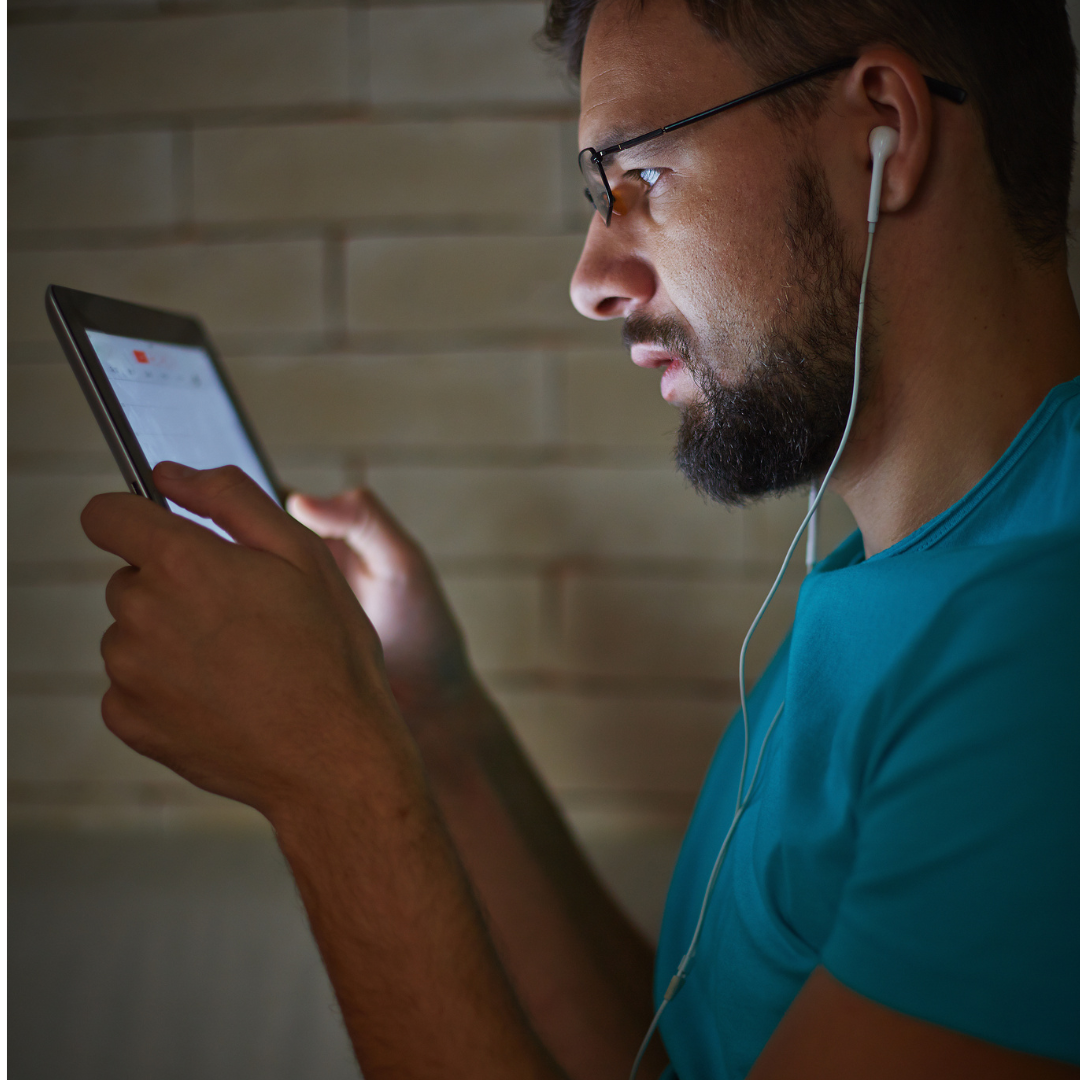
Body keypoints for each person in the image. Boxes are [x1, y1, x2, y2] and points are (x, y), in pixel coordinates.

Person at [78, 0, 1080, 1076]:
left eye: (640, 178)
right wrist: (432, 720)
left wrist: (330, 785)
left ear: (884, 130)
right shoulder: (913, 574)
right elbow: (664, 1059)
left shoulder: (1037, 653)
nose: (590, 279)